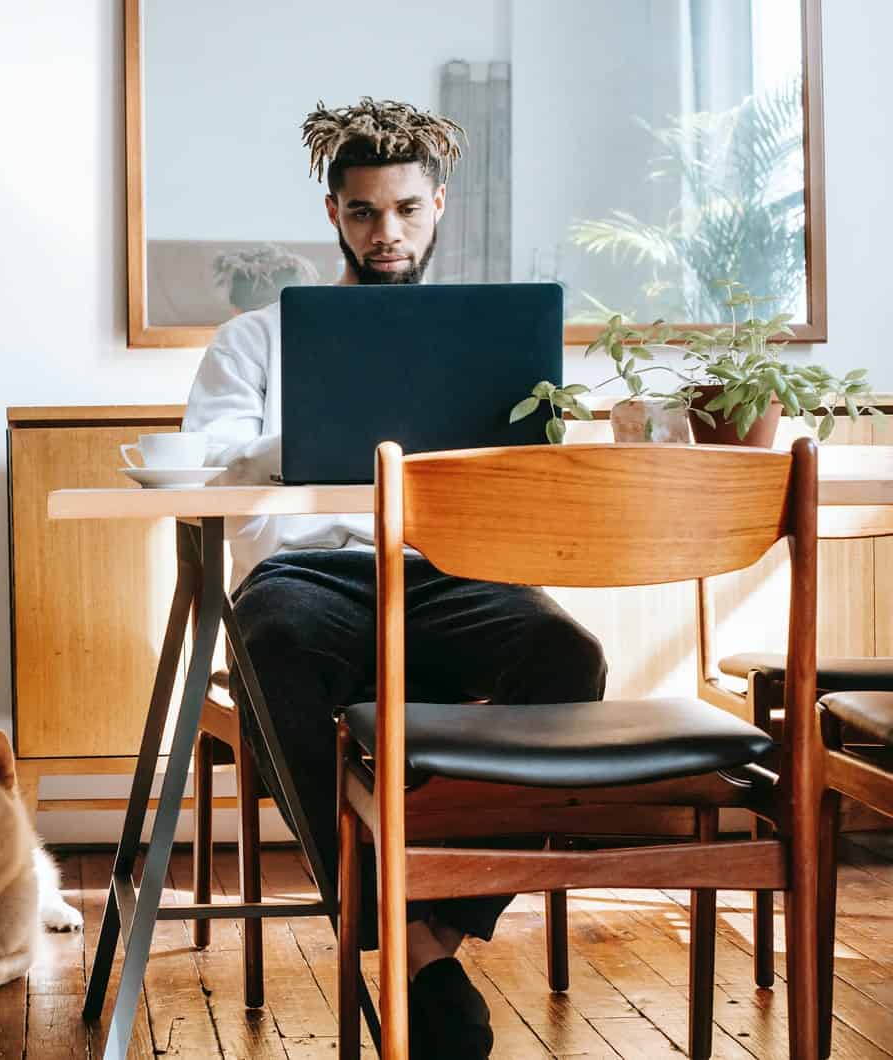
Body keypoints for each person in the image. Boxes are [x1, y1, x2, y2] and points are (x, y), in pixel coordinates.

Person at [182, 97, 608, 1058]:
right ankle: (395, 939)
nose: (388, 233)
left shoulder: (482, 344)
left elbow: (525, 477)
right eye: (367, 212)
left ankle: (426, 937)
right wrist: (341, 431)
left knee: (567, 659)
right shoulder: (254, 340)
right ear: (335, 212)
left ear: (438, 206)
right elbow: (210, 465)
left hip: (446, 572)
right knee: (273, 641)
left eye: (408, 210)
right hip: (309, 576)